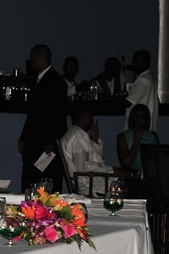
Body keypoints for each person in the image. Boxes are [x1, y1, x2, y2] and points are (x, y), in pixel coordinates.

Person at [18, 44, 68, 192]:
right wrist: (24, 137)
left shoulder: (55, 81)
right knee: (32, 179)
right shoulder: (40, 79)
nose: (30, 61)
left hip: (45, 144)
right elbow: (33, 115)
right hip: (35, 142)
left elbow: (56, 114)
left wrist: (50, 142)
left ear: (40, 58)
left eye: (32, 58)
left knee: (45, 180)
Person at [60, 103, 120, 197]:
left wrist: (95, 140)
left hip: (90, 182)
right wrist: (112, 170)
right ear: (86, 116)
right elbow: (82, 167)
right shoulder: (77, 136)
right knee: (129, 182)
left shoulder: (74, 133)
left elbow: (96, 160)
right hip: (89, 186)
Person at [117, 103, 160, 171]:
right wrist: (137, 139)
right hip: (133, 176)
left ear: (146, 119)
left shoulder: (153, 135)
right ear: (132, 117)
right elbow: (127, 164)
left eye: (142, 117)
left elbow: (159, 160)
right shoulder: (122, 137)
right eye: (136, 116)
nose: (138, 119)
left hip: (151, 175)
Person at [124, 49, 158, 133]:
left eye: (136, 61)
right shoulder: (150, 77)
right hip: (147, 127)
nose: (133, 63)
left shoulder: (142, 80)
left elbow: (128, 102)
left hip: (139, 130)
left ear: (145, 62)